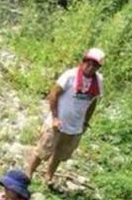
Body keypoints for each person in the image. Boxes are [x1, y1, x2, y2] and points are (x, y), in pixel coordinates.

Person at [26, 48, 104, 188]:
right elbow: (53, 94)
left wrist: (86, 122)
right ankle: (28, 174)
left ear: (99, 67)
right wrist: (55, 118)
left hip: (75, 126)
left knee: (61, 153)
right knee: (42, 150)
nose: (91, 67)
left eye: (95, 65)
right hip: (57, 123)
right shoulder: (70, 75)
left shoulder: (98, 81)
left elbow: (93, 102)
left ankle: (48, 176)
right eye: (88, 63)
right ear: (83, 61)